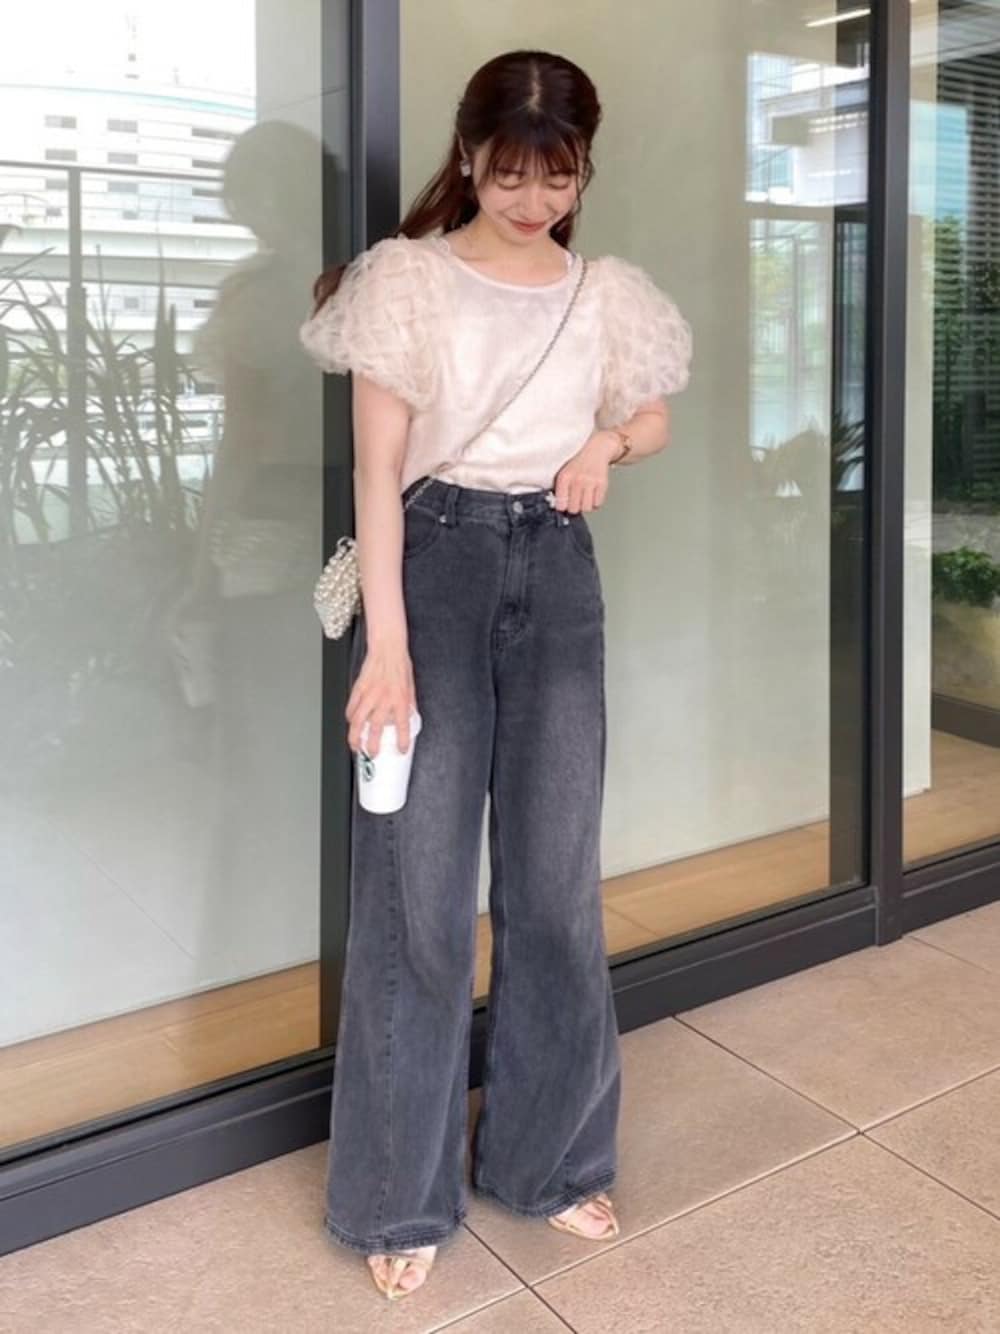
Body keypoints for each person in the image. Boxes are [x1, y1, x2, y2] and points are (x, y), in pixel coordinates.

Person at [299, 48, 692, 1302]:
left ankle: (548, 1156)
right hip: (439, 567)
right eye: (512, 174)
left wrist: (604, 444)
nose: (534, 201)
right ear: (468, 158)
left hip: (559, 578)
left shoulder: (605, 292)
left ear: (582, 171)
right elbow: (377, 475)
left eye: (557, 177)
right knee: (417, 895)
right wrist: (389, 649)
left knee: (556, 885)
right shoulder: (406, 281)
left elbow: (652, 414)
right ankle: (397, 1193)